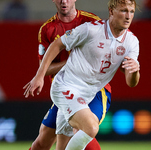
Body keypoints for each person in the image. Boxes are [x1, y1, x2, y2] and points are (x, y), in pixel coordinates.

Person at [24, 0, 140, 149]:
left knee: (60, 142)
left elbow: (131, 82)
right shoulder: (91, 28)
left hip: (92, 92)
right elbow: (58, 44)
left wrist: (135, 70)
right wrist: (39, 76)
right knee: (89, 128)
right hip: (66, 86)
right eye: (124, 11)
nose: (128, 16)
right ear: (111, 12)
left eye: (131, 12)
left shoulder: (132, 42)